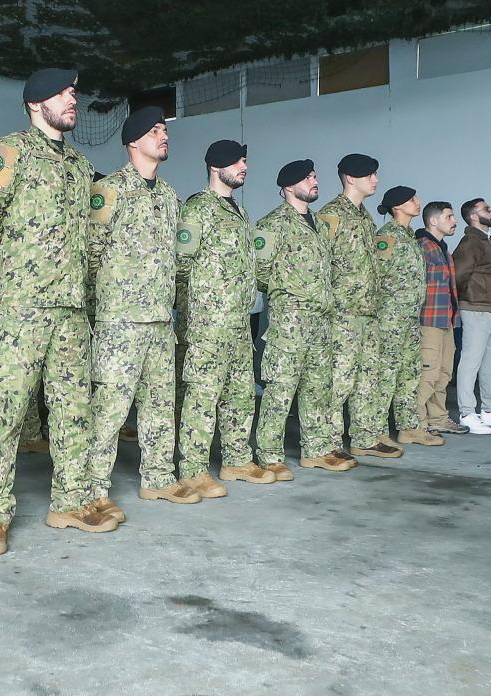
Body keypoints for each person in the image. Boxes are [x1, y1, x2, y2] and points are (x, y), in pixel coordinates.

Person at [0, 68, 99, 552]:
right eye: (64, 93)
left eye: (74, 93)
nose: (73, 100)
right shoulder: (6, 152)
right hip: (20, 309)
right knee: (4, 412)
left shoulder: (80, 167)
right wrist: (2, 284)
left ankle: (70, 500)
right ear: (34, 103)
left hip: (69, 309)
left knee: (72, 409)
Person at [81, 106, 198, 520]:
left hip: (160, 321)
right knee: (109, 409)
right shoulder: (109, 190)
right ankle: (92, 488)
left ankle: (159, 477)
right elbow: (90, 256)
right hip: (119, 322)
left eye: (165, 129)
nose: (163, 135)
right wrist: (102, 312)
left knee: (160, 404)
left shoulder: (169, 196)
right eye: (153, 131)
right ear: (132, 141)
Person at [177, 141, 278, 485]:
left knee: (240, 395)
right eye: (237, 161)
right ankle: (193, 469)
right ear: (216, 166)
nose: (244, 166)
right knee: (203, 397)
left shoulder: (239, 211)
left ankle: (236, 459)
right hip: (210, 323)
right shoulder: (197, 209)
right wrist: (200, 307)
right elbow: (181, 264)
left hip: (239, 323)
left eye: (245, 160)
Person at [253, 161, 348, 469]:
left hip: (322, 320)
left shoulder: (321, 224)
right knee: (280, 389)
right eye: (307, 178)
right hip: (290, 322)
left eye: (314, 176)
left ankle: (316, 450)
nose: (314, 181)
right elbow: (260, 272)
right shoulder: (271, 224)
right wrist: (289, 294)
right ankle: (269, 455)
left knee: (318, 387)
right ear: (289, 187)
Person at [321, 154, 401, 459]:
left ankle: (364, 437)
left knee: (368, 378)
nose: (375, 180)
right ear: (350, 178)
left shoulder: (367, 218)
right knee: (338, 380)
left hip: (368, 313)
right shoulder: (331, 214)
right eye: (370, 175)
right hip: (342, 315)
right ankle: (328, 442)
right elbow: (321, 262)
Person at [373, 187, 444, 448]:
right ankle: (377, 431)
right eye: (412, 199)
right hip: (390, 319)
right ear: (397, 207)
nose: (418, 202)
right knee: (385, 375)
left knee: (409, 374)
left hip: (411, 318)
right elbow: (376, 276)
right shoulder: (386, 237)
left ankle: (408, 428)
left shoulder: (410, 238)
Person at [451, 198, 491, 434]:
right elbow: (458, 276)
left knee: (490, 364)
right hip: (477, 308)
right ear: (473, 216)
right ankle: (467, 412)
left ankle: (489, 409)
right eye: (487, 209)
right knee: (471, 361)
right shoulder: (471, 243)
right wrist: (468, 300)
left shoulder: (487, 241)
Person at [412, 201, 462, 438]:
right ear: (433, 221)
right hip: (428, 320)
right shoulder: (422, 247)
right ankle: (416, 424)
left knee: (444, 373)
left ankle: (438, 418)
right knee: (428, 374)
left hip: (446, 320)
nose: (454, 221)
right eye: (449, 216)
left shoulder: (443, 249)